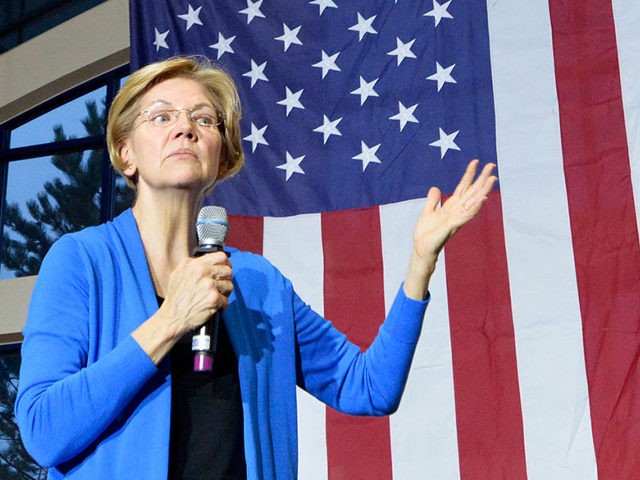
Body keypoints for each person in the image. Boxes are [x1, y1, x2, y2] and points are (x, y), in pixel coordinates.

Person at [15, 56, 497, 480]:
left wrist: (420, 263)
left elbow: (369, 386)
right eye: (161, 117)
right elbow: (43, 431)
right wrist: (170, 320)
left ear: (221, 156)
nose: (185, 128)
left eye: (203, 119)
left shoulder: (259, 283)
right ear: (125, 153)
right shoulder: (81, 262)